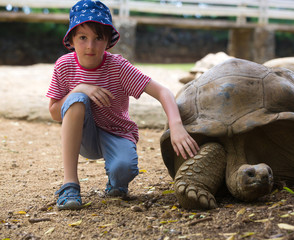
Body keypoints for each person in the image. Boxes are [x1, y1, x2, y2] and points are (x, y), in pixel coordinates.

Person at [46, 0, 199, 210]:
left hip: (116, 133)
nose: (90, 46)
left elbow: (163, 91)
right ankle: (69, 186)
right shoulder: (64, 66)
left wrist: (176, 126)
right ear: (71, 40)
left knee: (123, 169)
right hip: (83, 136)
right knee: (76, 99)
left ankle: (116, 183)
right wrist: (81, 88)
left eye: (98, 38)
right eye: (83, 37)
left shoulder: (118, 67)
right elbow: (55, 112)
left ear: (109, 41)